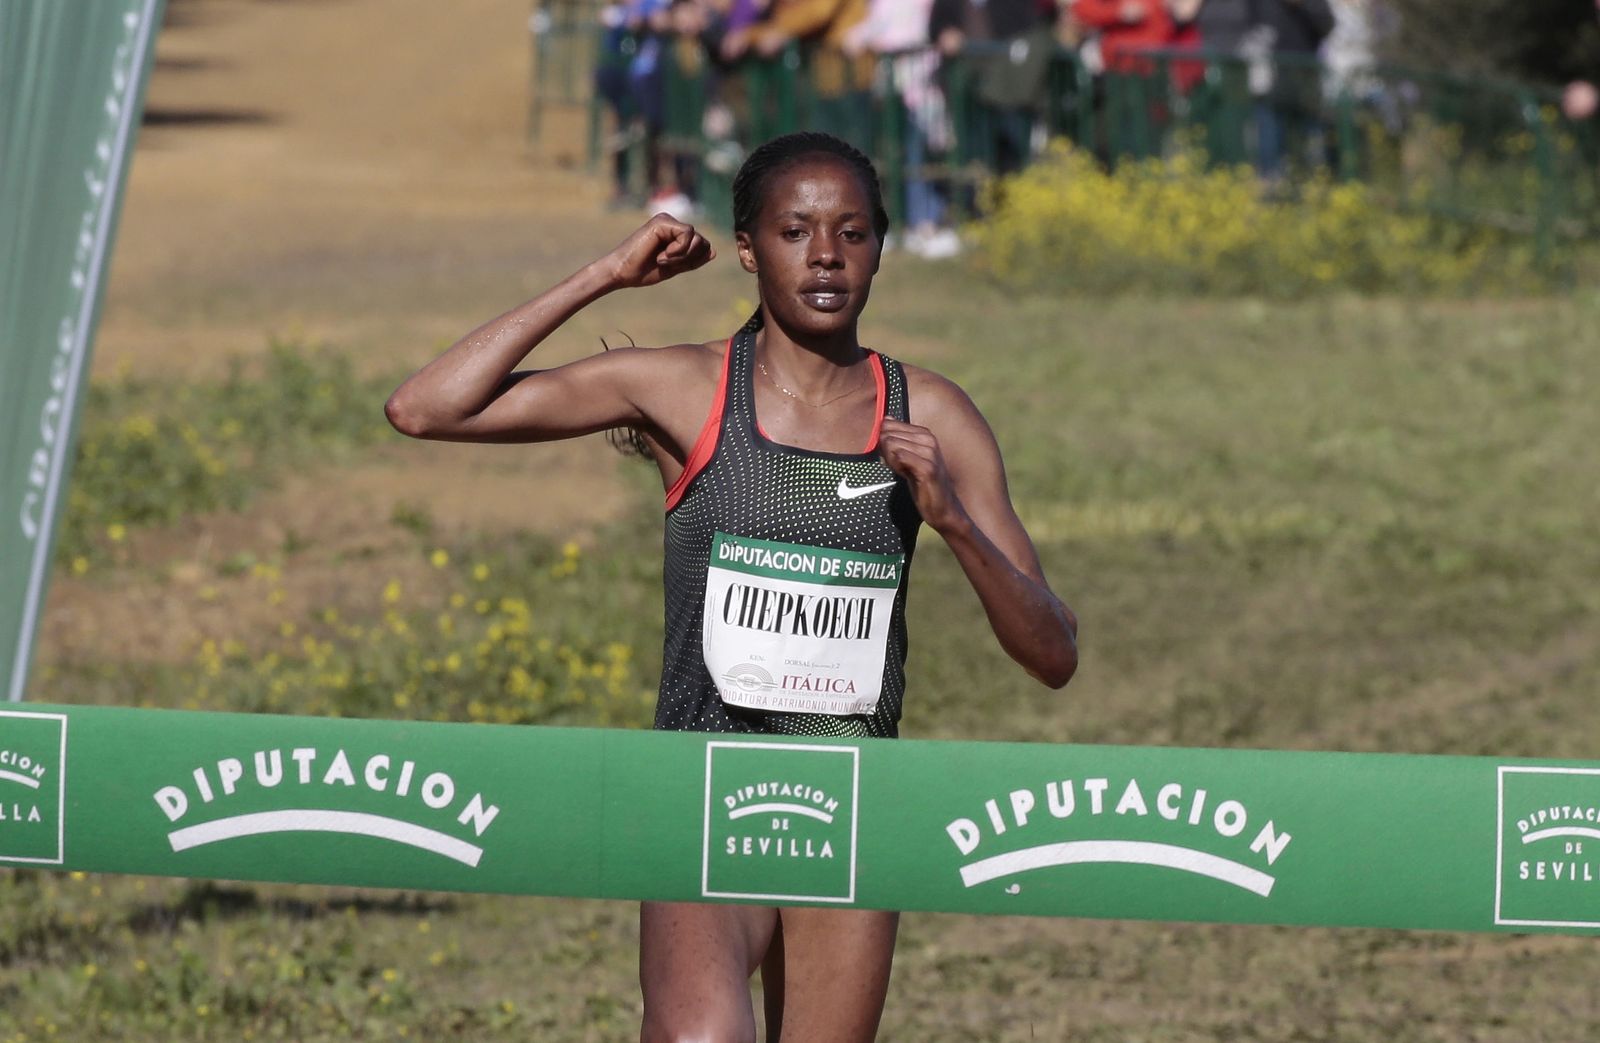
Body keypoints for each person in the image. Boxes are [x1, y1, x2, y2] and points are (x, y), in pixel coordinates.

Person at [384, 131, 1077, 1042]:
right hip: (702, 782)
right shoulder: (684, 390)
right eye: (795, 230)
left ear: (880, 246)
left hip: (848, 794)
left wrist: (952, 522)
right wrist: (603, 276)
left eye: (853, 231)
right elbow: (426, 407)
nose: (826, 254)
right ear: (749, 249)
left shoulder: (932, 414)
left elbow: (1052, 653)